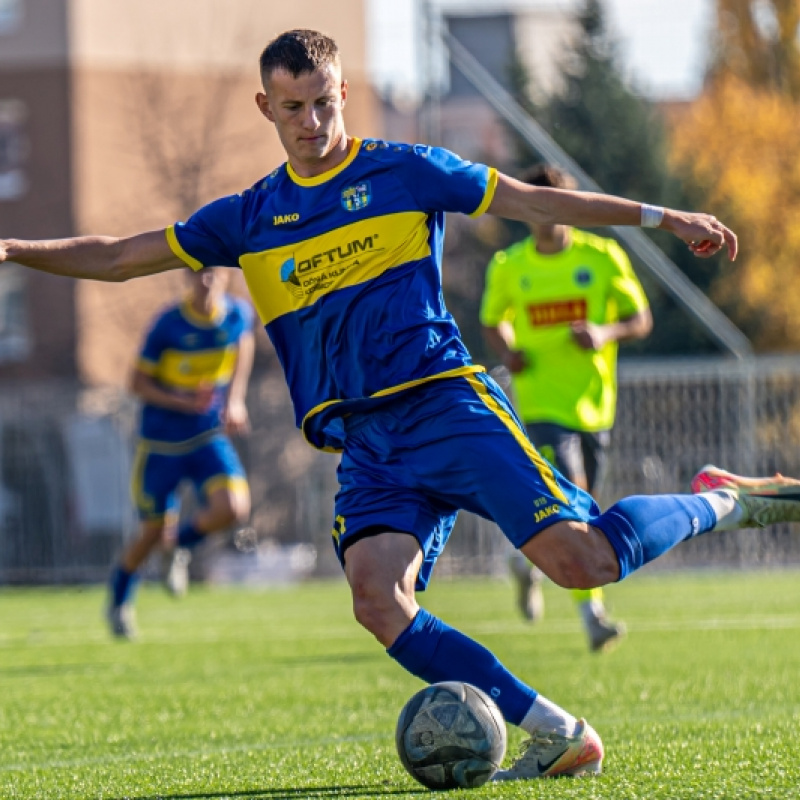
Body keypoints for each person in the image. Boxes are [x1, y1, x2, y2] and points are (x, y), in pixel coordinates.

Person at [2, 28, 799, 781]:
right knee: (377, 599)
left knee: (584, 561)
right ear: (265, 109)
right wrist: (11, 247)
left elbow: (534, 203)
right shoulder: (247, 219)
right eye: (293, 107)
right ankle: (559, 733)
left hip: (445, 407)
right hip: (368, 446)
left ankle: (721, 500)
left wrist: (666, 218)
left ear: (345, 90)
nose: (313, 122)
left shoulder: (406, 170)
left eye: (325, 102)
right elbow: (113, 256)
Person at [480, 163, 653, 652]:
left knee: (586, 510)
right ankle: (592, 616)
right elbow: (493, 323)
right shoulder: (509, 265)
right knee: (575, 497)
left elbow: (640, 318)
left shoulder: (601, 258)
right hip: (540, 404)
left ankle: (524, 562)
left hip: (595, 405)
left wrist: (605, 333)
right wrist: (507, 350)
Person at [108, 267, 255, 638]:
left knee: (234, 508)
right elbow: (137, 383)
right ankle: (120, 602)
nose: (205, 280)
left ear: (225, 276)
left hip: (206, 436)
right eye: (197, 273)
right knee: (151, 532)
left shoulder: (237, 314)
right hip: (160, 443)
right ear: (186, 279)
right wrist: (181, 400)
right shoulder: (168, 326)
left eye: (212, 273)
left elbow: (245, 342)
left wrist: (235, 400)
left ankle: (180, 547)